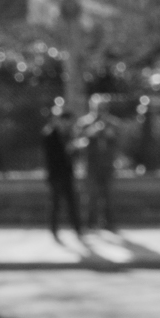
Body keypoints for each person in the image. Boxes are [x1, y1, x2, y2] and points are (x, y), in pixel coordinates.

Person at [40, 99, 81, 242]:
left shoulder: (68, 134)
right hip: (56, 174)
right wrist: (69, 149)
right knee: (55, 204)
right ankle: (54, 230)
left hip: (67, 174)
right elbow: (54, 155)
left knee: (72, 203)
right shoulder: (49, 133)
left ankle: (78, 229)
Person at [78, 101, 119, 234]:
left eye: (103, 108)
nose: (101, 111)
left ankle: (109, 223)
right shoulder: (84, 122)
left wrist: (109, 133)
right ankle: (91, 223)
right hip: (91, 164)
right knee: (92, 195)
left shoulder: (113, 122)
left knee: (108, 195)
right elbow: (78, 140)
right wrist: (92, 131)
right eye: (98, 108)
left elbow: (119, 141)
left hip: (107, 164)